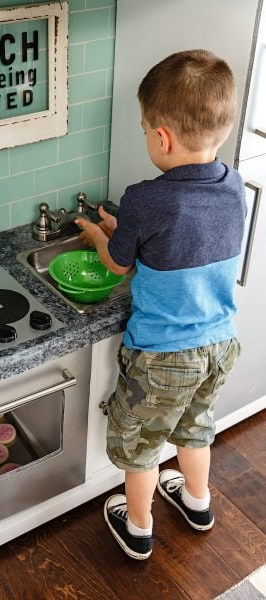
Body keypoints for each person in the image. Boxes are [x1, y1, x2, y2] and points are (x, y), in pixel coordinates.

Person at [75, 49, 245, 560]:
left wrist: (94, 233)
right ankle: (197, 501)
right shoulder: (233, 184)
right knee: (196, 428)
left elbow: (118, 266)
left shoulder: (146, 198)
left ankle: (139, 527)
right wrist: (121, 228)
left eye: (146, 127)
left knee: (143, 446)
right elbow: (182, 239)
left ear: (161, 137)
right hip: (219, 344)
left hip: (164, 355)